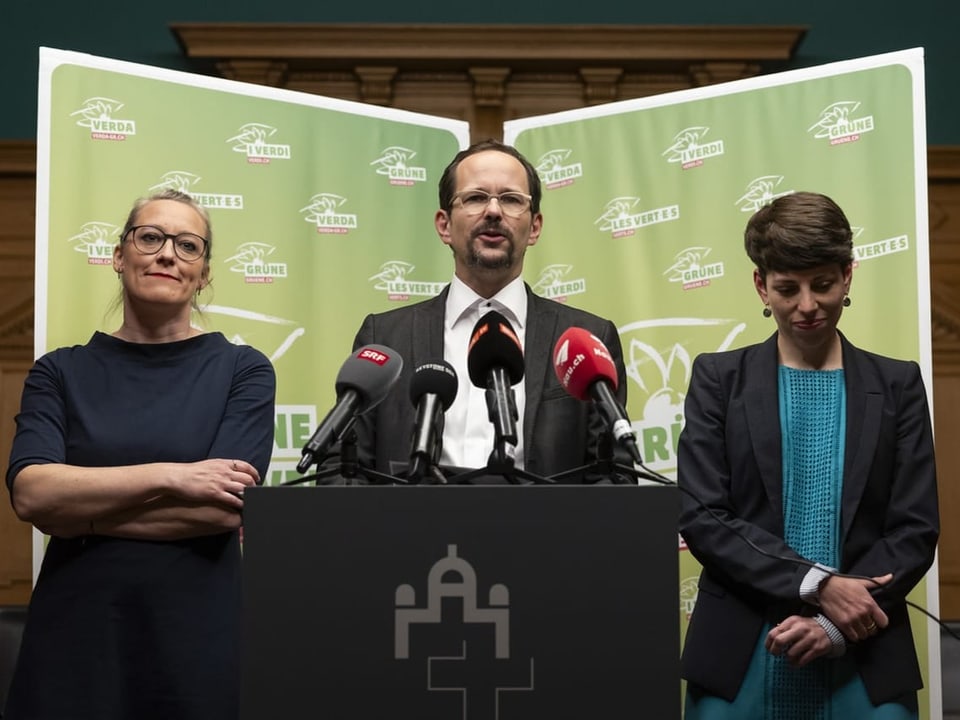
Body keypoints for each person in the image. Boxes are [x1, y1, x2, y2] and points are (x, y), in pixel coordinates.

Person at [3, 189, 276, 720]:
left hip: (195, 635)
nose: (167, 253)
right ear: (118, 255)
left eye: (188, 245)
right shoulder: (58, 372)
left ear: (204, 273)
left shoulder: (244, 369)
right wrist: (173, 476)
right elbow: (31, 492)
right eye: (150, 237)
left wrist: (77, 516)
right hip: (76, 635)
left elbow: (221, 508)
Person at [677, 191, 939, 718]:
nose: (806, 305)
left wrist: (834, 624)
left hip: (866, 653)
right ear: (760, 285)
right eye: (786, 288)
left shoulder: (898, 385)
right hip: (740, 653)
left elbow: (913, 530)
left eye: (822, 285)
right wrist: (817, 585)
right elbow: (703, 515)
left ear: (848, 275)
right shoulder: (718, 379)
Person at [348, 139, 631, 483]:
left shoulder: (587, 340)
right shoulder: (384, 338)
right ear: (444, 225)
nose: (494, 211)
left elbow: (613, 478)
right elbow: (346, 472)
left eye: (511, 199)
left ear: (535, 227)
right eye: (476, 197)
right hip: (412, 533)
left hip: (547, 533)